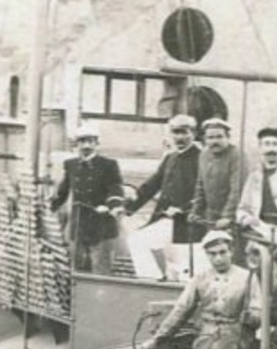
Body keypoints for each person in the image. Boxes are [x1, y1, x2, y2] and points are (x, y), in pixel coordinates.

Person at [126, 114, 201, 280]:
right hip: (165, 220)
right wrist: (127, 207)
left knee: (184, 274)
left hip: (188, 224)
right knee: (137, 241)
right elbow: (151, 186)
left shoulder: (201, 158)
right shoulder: (170, 158)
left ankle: (157, 282)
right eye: (175, 132)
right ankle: (151, 281)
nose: (179, 137)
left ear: (194, 134)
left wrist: (184, 209)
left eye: (184, 132)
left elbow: (205, 193)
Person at [51, 122, 127, 275]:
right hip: (79, 225)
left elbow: (115, 187)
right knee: (78, 271)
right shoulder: (70, 164)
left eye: (90, 141)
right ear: (76, 145)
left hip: (101, 224)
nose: (86, 146)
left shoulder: (108, 165)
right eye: (82, 142)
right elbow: (63, 192)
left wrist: (112, 205)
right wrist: (48, 206)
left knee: (100, 270)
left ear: (96, 144)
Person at [191, 117, 246, 233]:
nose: (214, 141)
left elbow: (237, 189)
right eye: (210, 137)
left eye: (219, 137)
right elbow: (200, 185)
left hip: (233, 217)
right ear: (205, 139)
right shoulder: (204, 155)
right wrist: (195, 210)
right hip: (210, 216)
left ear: (228, 137)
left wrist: (228, 216)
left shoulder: (236, 155)